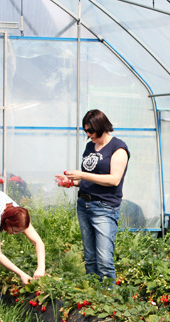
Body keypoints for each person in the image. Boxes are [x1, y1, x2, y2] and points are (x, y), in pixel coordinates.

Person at [55, 109, 130, 280]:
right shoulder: (90, 146)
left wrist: (82, 175)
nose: (88, 135)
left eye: (91, 130)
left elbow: (114, 180)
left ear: (102, 126)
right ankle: (93, 299)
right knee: (90, 258)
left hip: (104, 207)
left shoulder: (118, 148)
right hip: (84, 204)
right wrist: (71, 182)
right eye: (86, 131)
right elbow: (90, 179)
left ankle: (110, 299)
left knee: (104, 260)